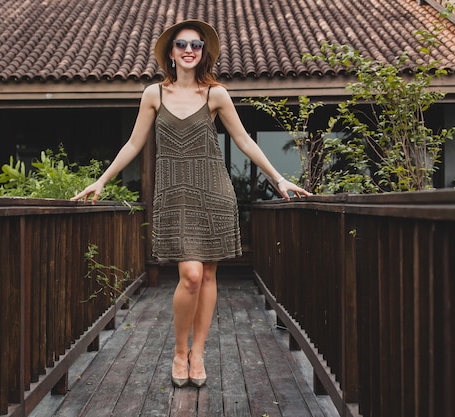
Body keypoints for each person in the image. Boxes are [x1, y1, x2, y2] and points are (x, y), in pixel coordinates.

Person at [71, 19, 311, 388]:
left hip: (212, 190)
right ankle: (178, 350)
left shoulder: (215, 94)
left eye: (196, 45)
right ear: (170, 52)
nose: (188, 50)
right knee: (191, 275)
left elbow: (244, 140)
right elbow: (134, 144)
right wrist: (101, 181)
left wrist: (278, 177)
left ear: (203, 53)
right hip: (173, 194)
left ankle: (197, 353)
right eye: (181, 44)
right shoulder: (154, 94)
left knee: (209, 275)